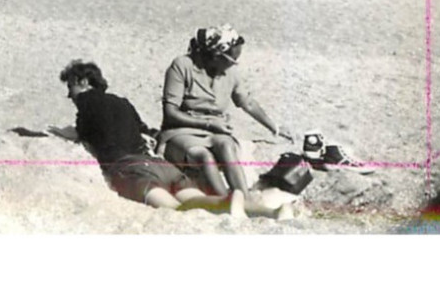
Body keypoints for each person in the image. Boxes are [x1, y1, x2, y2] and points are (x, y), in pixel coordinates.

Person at [159, 25, 293, 220]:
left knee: (226, 146)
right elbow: (170, 112)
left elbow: (246, 102)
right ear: (215, 55)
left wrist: (274, 126)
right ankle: (226, 202)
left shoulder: (230, 73)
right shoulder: (182, 65)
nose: (234, 64)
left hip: (216, 130)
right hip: (181, 130)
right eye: (231, 59)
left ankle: (245, 202)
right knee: (204, 157)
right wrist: (208, 124)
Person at [57, 60, 205, 210]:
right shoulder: (123, 102)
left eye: (71, 87)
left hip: (131, 169)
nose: (69, 95)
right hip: (160, 166)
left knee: (176, 210)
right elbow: (145, 131)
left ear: (83, 82)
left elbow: (82, 134)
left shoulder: (86, 100)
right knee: (204, 208)